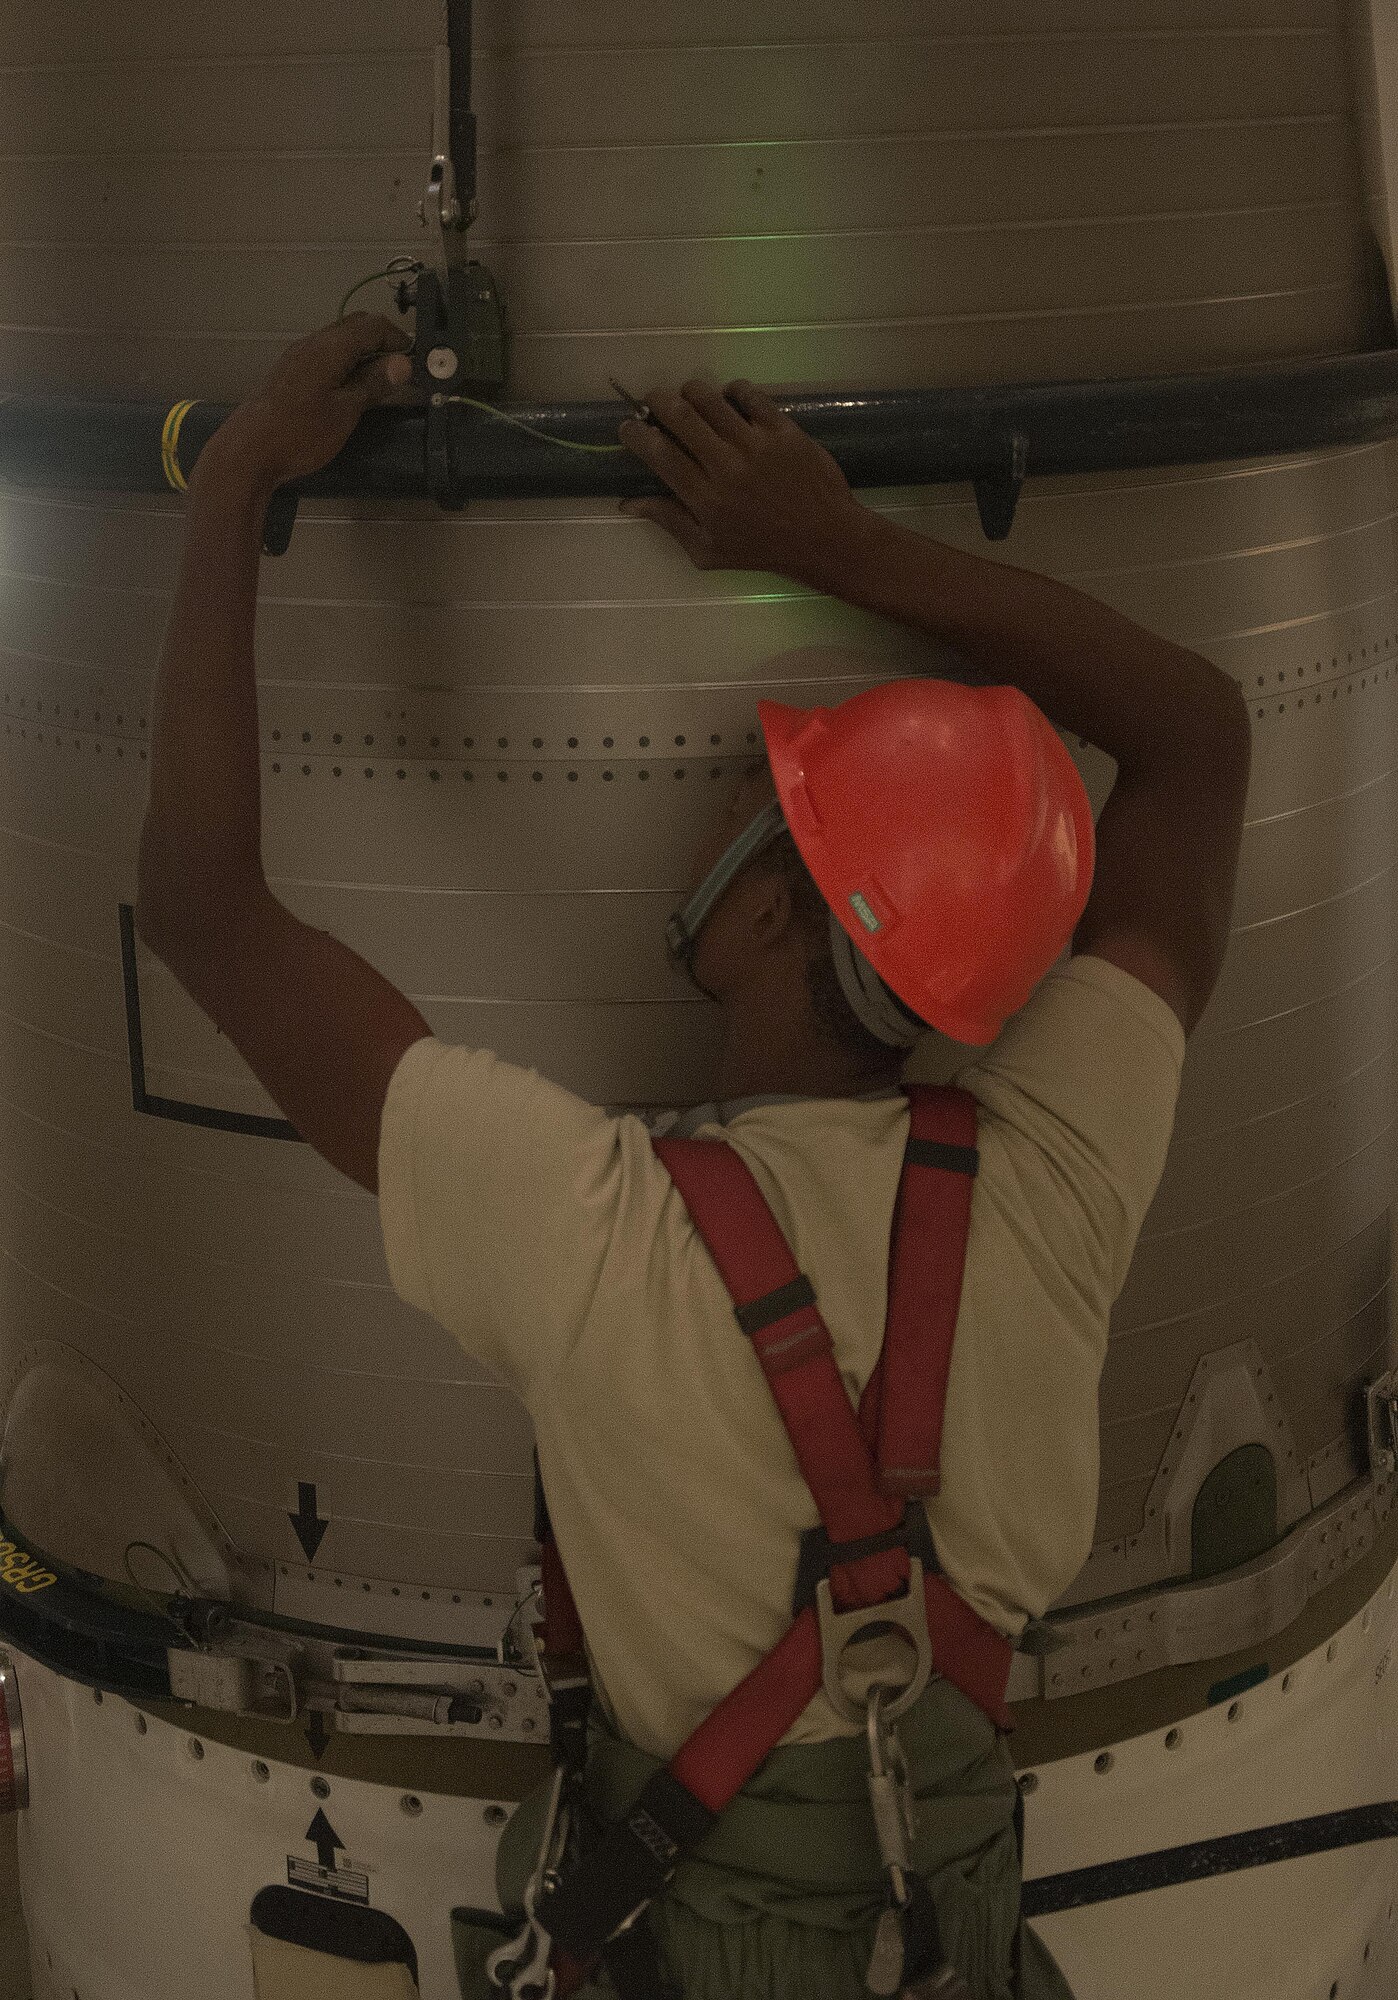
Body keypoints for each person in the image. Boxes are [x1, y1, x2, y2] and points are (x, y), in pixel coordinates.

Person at [135, 318, 1253, 1999]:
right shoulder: (1056, 1182)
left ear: (764, 903)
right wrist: (843, 545)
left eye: (753, 791)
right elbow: (1200, 736)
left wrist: (231, 479)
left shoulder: (601, 1242)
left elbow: (204, 911)